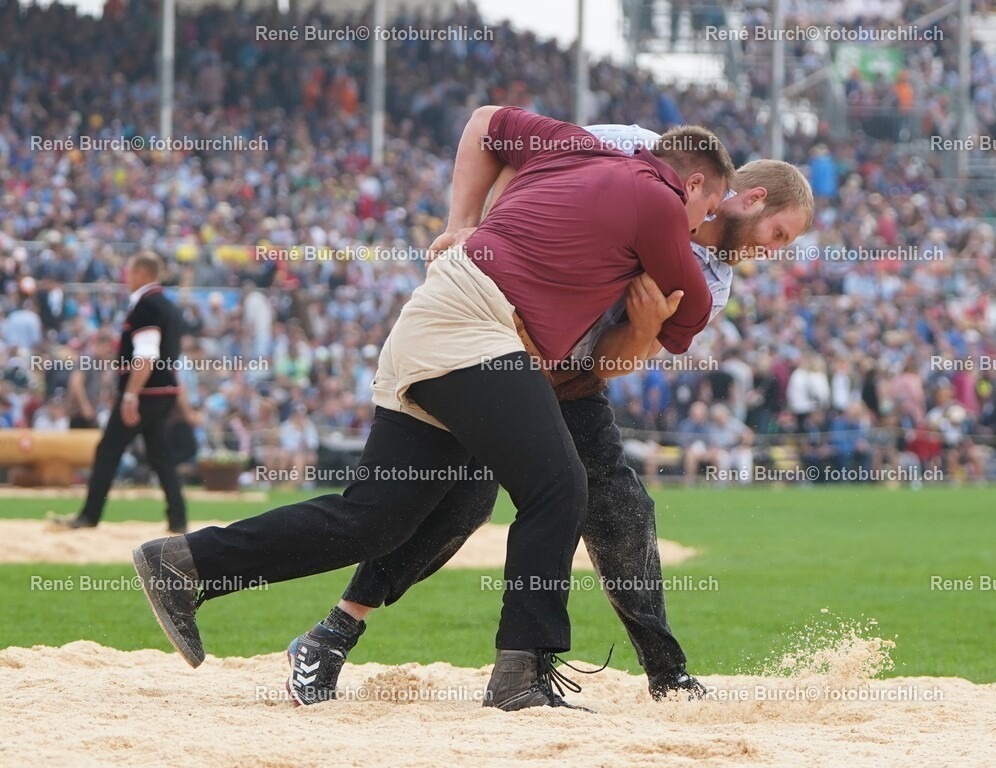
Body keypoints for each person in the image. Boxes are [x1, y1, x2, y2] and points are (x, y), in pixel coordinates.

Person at [132, 106, 733, 712]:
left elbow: (485, 121)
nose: (700, 226)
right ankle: (521, 670)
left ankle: (186, 564)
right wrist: (651, 312)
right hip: (475, 328)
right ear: (693, 183)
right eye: (706, 210)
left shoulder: (575, 146)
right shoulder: (657, 198)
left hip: (435, 321)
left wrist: (463, 222)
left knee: (375, 520)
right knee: (558, 486)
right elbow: (692, 310)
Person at [283, 138, 815, 706]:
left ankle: (666, 674)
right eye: (778, 234)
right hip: (495, 340)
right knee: (458, 503)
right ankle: (331, 636)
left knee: (622, 508)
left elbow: (613, 363)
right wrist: (474, 230)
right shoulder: (642, 149)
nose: (772, 252)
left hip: (571, 376)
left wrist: (640, 329)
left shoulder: (714, 282)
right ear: (751, 198)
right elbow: (525, 158)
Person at [54, 252, 188, 532]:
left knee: (108, 450)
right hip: (165, 390)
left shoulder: (146, 306)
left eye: (129, 271)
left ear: (140, 273)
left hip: (145, 392)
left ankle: (89, 516)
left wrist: (130, 395)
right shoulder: (169, 306)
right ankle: (178, 518)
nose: (126, 278)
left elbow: (146, 356)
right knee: (159, 453)